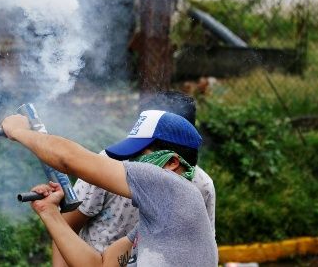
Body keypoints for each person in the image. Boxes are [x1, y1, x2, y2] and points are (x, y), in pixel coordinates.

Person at [1, 109, 218, 266]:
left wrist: (19, 132)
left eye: (138, 156)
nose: (131, 164)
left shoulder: (176, 190)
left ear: (172, 162)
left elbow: (68, 159)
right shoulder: (159, 218)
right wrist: (49, 213)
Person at [52, 91, 215, 267]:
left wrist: (22, 132)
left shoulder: (201, 186)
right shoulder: (107, 166)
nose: (134, 162)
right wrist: (48, 212)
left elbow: (203, 247)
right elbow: (66, 228)